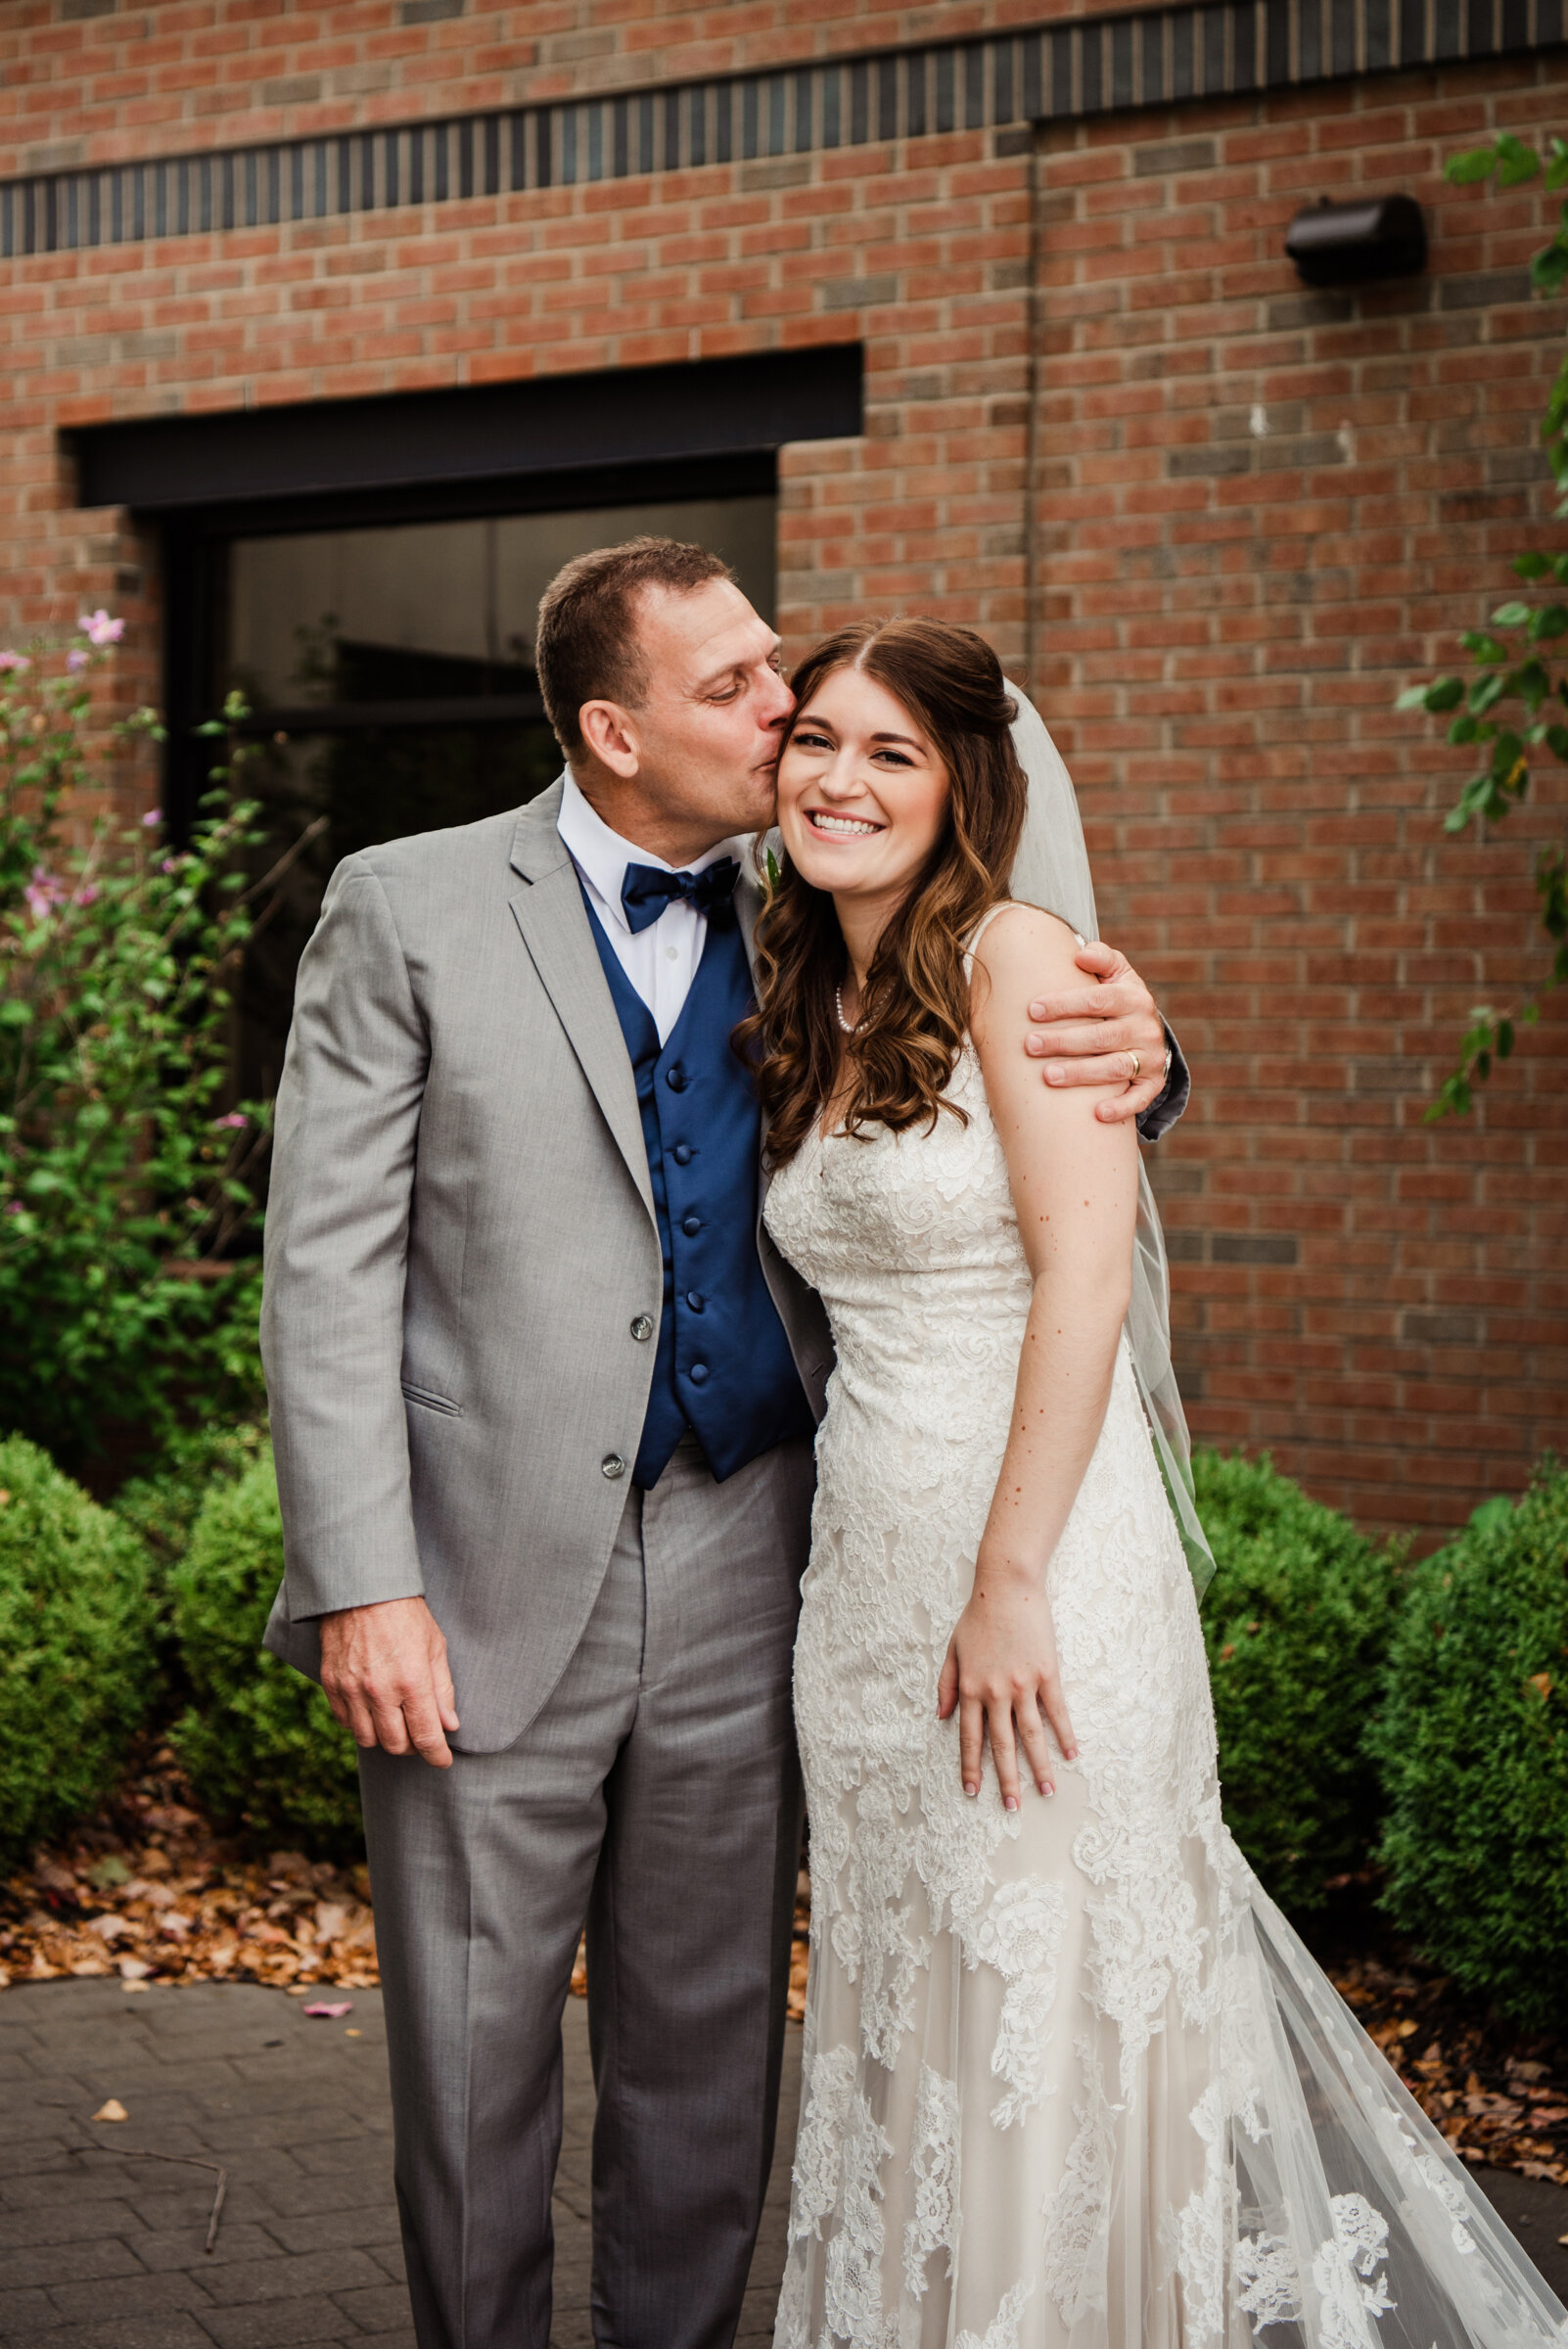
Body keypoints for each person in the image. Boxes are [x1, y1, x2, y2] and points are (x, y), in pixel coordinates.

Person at [258, 539, 1182, 2349]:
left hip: (761, 1553)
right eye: (741, 688)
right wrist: (362, 1580)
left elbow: (1007, 1039)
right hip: (480, 1577)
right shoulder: (413, 902)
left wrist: (1150, 1046)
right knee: (472, 2061)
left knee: (704, 2060)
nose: (791, 716)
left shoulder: (815, 879)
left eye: (785, 674)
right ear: (613, 729)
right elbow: (322, 1272)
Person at [751, 616, 1568, 2349]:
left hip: (1033, 1562)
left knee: (1052, 1995)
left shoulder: (1020, 956)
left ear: (966, 786)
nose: (838, 778)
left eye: (889, 752)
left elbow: (1088, 1279)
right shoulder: (806, 986)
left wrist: (1009, 1583)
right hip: (867, 1580)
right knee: (917, 1995)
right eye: (814, 739)